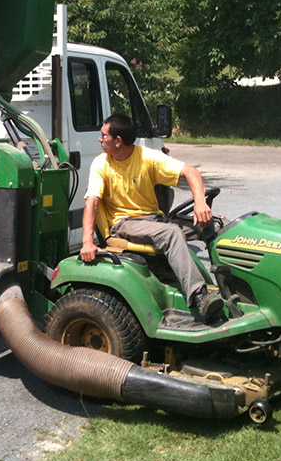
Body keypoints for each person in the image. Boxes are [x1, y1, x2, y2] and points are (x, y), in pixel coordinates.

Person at [81, 113, 224, 323]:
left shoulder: (147, 157)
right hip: (125, 224)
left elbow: (190, 172)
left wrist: (200, 203)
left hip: (154, 221)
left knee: (213, 226)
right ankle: (199, 296)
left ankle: (230, 284)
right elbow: (92, 202)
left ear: (118, 141)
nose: (99, 139)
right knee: (172, 232)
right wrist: (87, 242)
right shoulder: (101, 164)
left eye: (103, 136)